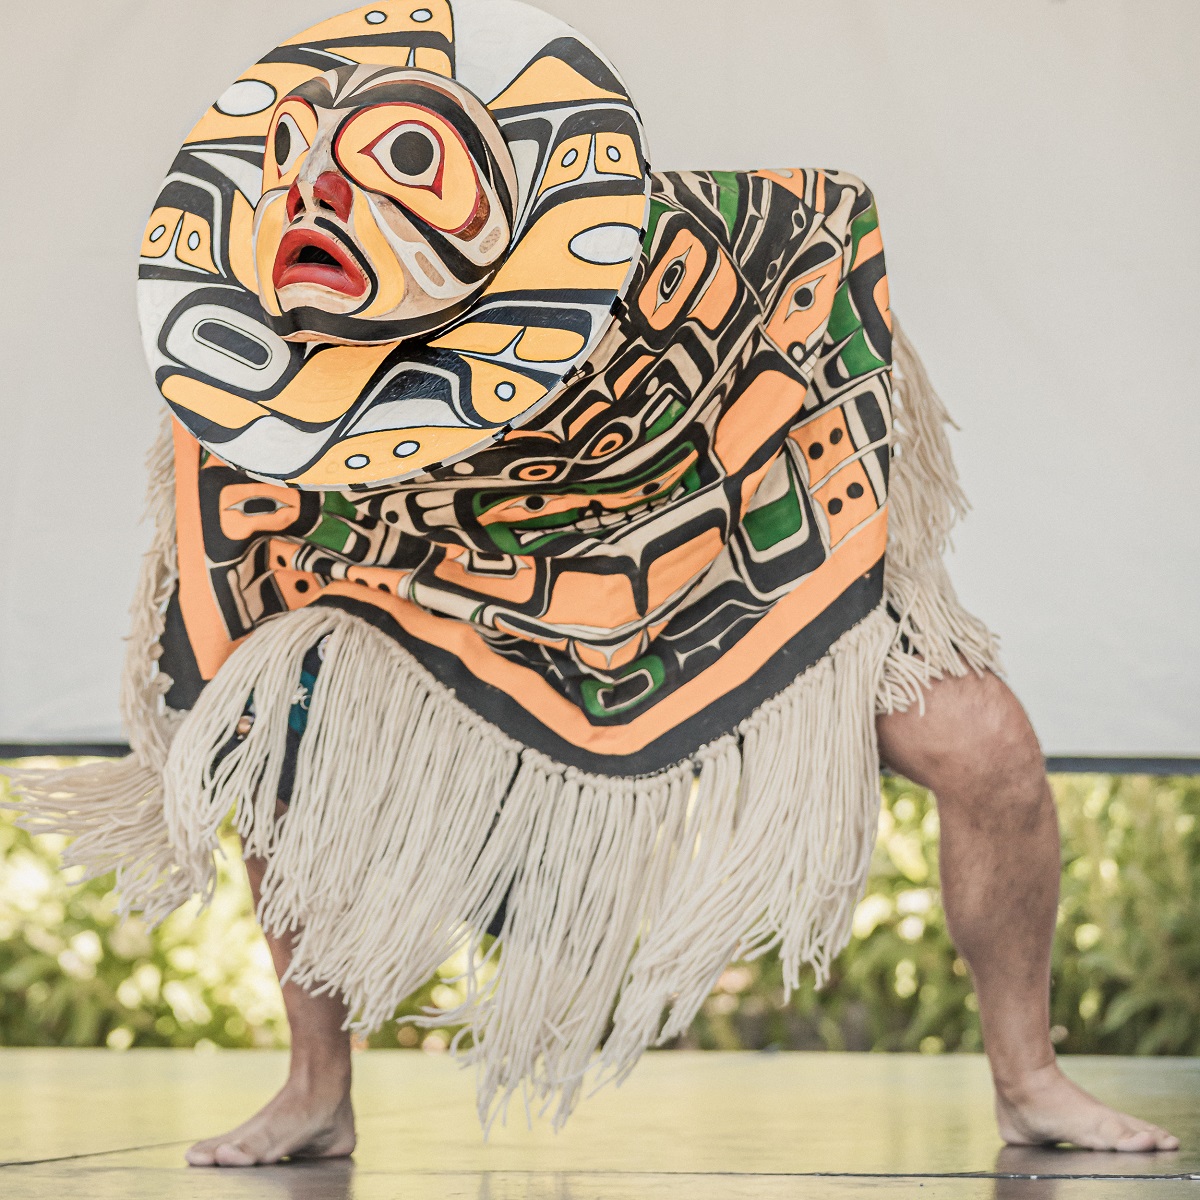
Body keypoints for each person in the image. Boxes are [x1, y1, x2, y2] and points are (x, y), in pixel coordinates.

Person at [18, 0, 1177, 1167]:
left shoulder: (647, 236)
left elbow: (816, 244)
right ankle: (316, 1087)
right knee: (274, 714)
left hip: (699, 552)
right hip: (446, 583)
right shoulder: (265, 372)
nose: (318, 195)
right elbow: (247, 537)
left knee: (988, 745)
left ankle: (1031, 1081)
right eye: (295, 170)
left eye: (397, 162)